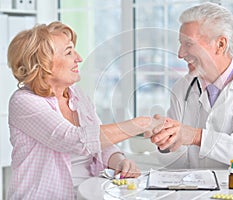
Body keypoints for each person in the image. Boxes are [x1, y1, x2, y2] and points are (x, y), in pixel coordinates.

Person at [6, 21, 164, 199]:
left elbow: (101, 145)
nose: (78, 58)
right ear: (43, 64)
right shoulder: (24, 102)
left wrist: (118, 161)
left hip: (87, 194)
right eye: (69, 52)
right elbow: (76, 140)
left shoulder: (76, 95)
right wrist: (140, 124)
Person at [150, 2, 233, 170]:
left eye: (188, 44)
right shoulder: (182, 88)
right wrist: (165, 143)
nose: (180, 54)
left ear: (220, 45)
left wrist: (196, 136)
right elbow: (177, 165)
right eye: (181, 44)